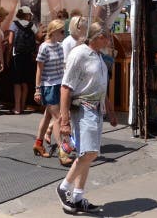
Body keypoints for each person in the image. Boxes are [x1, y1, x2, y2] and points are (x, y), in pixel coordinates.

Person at [55, 22, 117, 214]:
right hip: (83, 108)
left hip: (96, 109)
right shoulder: (79, 54)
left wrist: (110, 110)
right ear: (98, 37)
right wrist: (64, 120)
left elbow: (100, 86)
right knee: (89, 153)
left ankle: (77, 197)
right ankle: (64, 187)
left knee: (88, 155)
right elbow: (66, 87)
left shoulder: (97, 55)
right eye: (107, 37)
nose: (109, 41)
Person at [33, 19, 65, 157]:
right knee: (58, 118)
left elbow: (62, 66)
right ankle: (62, 149)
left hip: (59, 84)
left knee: (47, 117)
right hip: (48, 86)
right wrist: (37, 89)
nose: (64, 34)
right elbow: (39, 70)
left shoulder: (59, 46)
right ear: (54, 32)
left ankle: (38, 144)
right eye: (62, 31)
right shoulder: (44, 47)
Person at [10, 6, 39, 115]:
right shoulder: (32, 25)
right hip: (28, 55)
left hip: (17, 55)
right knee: (25, 82)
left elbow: (10, 41)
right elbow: (39, 36)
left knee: (17, 82)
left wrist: (8, 55)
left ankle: (17, 107)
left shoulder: (14, 24)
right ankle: (22, 106)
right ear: (27, 15)